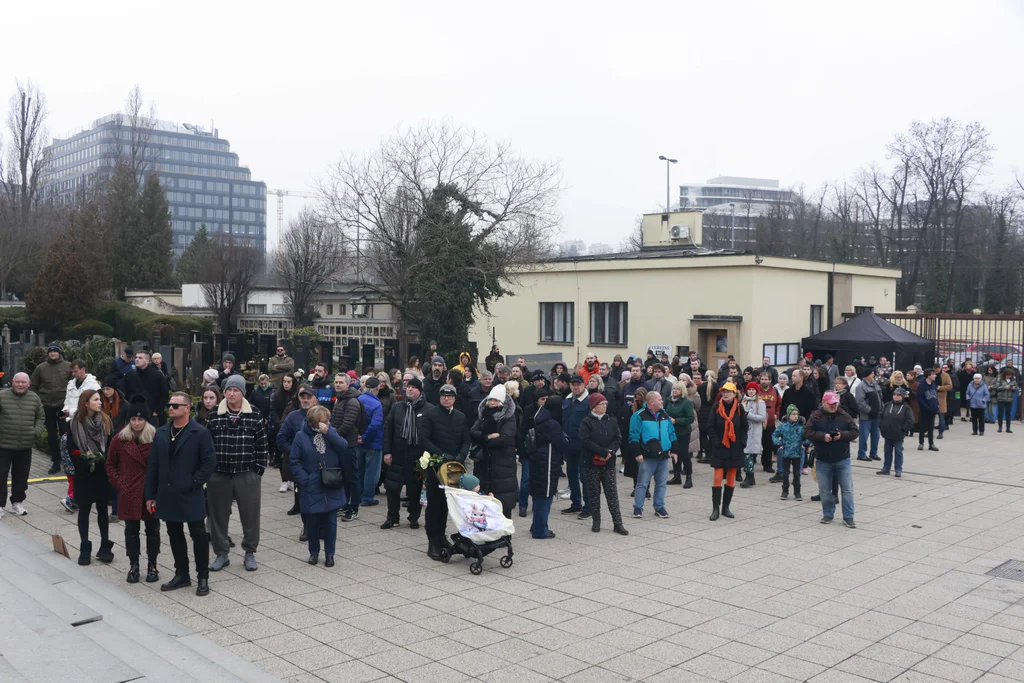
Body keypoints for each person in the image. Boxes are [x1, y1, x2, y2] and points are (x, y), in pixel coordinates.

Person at [145, 392, 216, 595]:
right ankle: (182, 574)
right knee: (174, 534)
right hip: (167, 493)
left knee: (198, 534)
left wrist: (194, 481)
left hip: (190, 492)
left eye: (176, 405)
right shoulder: (161, 432)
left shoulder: (200, 432)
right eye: (170, 405)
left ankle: (202, 576)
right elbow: (154, 465)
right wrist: (150, 495)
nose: (171, 408)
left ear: (187, 408)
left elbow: (209, 461)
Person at [206, 374, 269, 573]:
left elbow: (262, 444)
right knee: (218, 515)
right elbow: (206, 444)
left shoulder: (255, 414)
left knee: (250, 515)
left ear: (243, 393)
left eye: (236, 390)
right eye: (228, 390)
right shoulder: (215, 413)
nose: (231, 394)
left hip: (246, 473)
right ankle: (221, 553)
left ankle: (250, 552)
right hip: (220, 473)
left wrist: (258, 470)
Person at [106, 397, 161, 583]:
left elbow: (164, 464)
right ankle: (134, 565)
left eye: (140, 419)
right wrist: (119, 482)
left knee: (152, 529)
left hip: (150, 492)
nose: (136, 423)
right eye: (133, 419)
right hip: (128, 491)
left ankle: (153, 564)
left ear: (146, 420)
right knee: (131, 530)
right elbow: (110, 464)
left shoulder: (156, 437)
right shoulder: (119, 439)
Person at [289, 405, 347, 567]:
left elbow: (343, 447)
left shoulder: (331, 433)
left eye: (328, 421)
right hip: (311, 485)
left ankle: (330, 554)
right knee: (312, 523)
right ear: (314, 422)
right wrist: (304, 479)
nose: (327, 423)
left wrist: (329, 433)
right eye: (323, 421)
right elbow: (294, 460)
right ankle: (313, 552)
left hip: (331, 482)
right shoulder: (301, 436)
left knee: (331, 523)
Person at [419, 384, 470, 559]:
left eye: (450, 396)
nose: (446, 399)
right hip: (436, 467)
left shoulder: (461, 417)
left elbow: (466, 439)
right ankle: (432, 541)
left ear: (455, 398)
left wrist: (461, 455)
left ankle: (442, 537)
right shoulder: (430, 415)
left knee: (447, 504)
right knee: (435, 505)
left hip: (455, 467)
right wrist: (441, 455)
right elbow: (424, 439)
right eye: (443, 396)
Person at [67, 389, 114, 566]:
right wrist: (84, 462)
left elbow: (111, 445)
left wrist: (104, 461)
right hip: (83, 473)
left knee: (102, 509)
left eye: (100, 399)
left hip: (102, 472)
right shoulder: (74, 423)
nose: (100, 402)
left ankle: (105, 546)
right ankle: (84, 546)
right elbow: (71, 449)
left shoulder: (106, 420)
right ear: (86, 403)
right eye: (96, 400)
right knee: (85, 509)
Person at [381, 375, 429, 529]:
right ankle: (392, 517)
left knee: (415, 490)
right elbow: (388, 430)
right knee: (392, 488)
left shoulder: (428, 409)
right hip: (397, 454)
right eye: (408, 386)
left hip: (417, 457)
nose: (409, 389)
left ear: (420, 391)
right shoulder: (397, 407)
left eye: (413, 387)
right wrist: (387, 451)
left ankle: (413, 517)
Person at [805, 391, 859, 528]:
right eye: (830, 404)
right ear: (823, 403)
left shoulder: (844, 415)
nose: (833, 406)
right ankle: (828, 514)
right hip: (823, 459)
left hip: (842, 459)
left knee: (847, 489)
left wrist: (842, 435)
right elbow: (807, 432)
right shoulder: (815, 416)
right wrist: (823, 437)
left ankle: (849, 517)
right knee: (824, 490)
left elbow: (855, 432)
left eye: (835, 403)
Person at [0, 372, 45, 520]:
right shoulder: (2, 396)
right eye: (17, 382)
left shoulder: (35, 398)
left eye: (23, 382)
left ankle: (17, 503)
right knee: (1, 475)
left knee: (21, 476)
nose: (20, 385)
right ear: (12, 382)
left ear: (29, 384)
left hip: (25, 445)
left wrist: (36, 432)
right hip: (3, 445)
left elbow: (40, 416)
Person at [471, 384, 519, 518]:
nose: (492, 402)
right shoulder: (483, 415)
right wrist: (487, 437)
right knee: (485, 501)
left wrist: (484, 440)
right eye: (490, 399)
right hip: (484, 463)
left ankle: (505, 536)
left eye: (495, 400)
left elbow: (504, 438)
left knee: (503, 502)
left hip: (503, 464)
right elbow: (473, 432)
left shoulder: (509, 417)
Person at [628, 390, 676, 519]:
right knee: (642, 483)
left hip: (664, 455)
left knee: (661, 483)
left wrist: (674, 450)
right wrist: (637, 453)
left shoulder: (664, 414)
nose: (662, 401)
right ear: (651, 402)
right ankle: (638, 507)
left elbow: (671, 432)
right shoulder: (639, 416)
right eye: (659, 399)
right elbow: (634, 436)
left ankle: (659, 507)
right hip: (647, 456)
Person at [529, 388, 567, 539]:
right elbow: (561, 444)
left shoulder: (540, 417)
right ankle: (540, 530)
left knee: (539, 496)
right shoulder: (551, 423)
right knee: (545, 496)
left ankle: (537, 525)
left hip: (538, 461)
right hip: (547, 463)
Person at [705, 382, 747, 521]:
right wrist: (715, 441)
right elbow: (710, 426)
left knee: (731, 478)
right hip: (719, 447)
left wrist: (742, 442)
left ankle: (726, 508)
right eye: (723, 392)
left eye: (728, 392)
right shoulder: (716, 407)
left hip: (735, 448)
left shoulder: (739, 408)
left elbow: (744, 427)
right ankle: (715, 509)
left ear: (735, 394)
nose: (725, 394)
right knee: (717, 477)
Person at [31, 343, 72, 474]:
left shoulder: (68, 366)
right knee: (51, 435)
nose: (52, 353)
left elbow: (73, 385)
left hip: (63, 406)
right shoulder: (40, 368)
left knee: (65, 434)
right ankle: (55, 461)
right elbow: (33, 386)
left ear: (59, 353)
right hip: (46, 405)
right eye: (50, 351)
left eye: (55, 351)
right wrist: (37, 402)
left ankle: (68, 460)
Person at [330, 373, 364, 521]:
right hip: (340, 443)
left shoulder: (352, 401)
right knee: (343, 477)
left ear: (348, 384)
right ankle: (344, 504)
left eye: (341, 383)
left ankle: (354, 507)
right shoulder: (339, 399)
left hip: (348, 444)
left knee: (352, 477)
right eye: (336, 382)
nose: (337, 385)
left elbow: (347, 425)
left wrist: (332, 436)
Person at [561, 375, 591, 518]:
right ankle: (575, 503)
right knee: (571, 475)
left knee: (585, 477)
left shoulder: (588, 401)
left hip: (583, 445)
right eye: (573, 384)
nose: (575, 387)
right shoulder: (567, 400)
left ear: (583, 385)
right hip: (569, 444)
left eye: (578, 384)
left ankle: (589, 506)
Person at [356, 377, 385, 510]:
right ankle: (367, 497)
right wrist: (366, 437)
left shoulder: (358, 400)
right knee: (372, 472)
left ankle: (358, 495)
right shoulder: (377, 404)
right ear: (377, 388)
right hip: (373, 443)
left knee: (359, 470)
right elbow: (376, 425)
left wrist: (358, 436)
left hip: (358, 441)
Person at [122, 350, 169, 427]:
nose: (137, 359)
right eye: (136, 357)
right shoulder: (129, 375)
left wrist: (158, 411)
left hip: (152, 414)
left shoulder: (157, 375)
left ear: (147, 360)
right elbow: (125, 393)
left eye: (140, 358)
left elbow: (164, 394)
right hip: (134, 414)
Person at [877, 387, 915, 478]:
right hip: (887, 433)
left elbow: (910, 420)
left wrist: (903, 429)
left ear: (902, 396)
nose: (895, 396)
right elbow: (880, 415)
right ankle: (886, 468)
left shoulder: (906, 408)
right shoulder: (887, 405)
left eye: (898, 395)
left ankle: (898, 469)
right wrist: (881, 426)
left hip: (898, 434)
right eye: (894, 394)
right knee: (887, 452)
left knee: (898, 452)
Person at [773, 406, 808, 500]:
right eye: (793, 414)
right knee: (785, 473)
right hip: (786, 453)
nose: (795, 416)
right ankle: (785, 491)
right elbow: (775, 435)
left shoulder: (801, 427)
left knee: (797, 473)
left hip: (797, 453)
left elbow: (808, 436)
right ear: (788, 415)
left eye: (797, 414)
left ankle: (797, 492)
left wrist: (805, 444)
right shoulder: (783, 426)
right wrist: (778, 443)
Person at [271, 374, 298, 494]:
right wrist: (278, 424)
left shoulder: (296, 396)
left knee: (291, 455)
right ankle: (284, 480)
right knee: (281, 455)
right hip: (280, 427)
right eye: (284, 382)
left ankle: (291, 480)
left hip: (292, 428)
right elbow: (273, 410)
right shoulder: (277, 395)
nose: (286, 384)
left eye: (289, 382)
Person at [664, 383, 695, 487]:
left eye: (678, 389)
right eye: (674, 388)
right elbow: (664, 412)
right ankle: (677, 476)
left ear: (682, 391)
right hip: (671, 432)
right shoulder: (668, 400)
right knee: (674, 453)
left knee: (684, 454)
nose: (675, 390)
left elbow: (690, 418)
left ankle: (689, 478)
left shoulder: (686, 402)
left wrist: (675, 421)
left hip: (683, 432)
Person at [740, 382, 766, 488]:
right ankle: (750, 476)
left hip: (754, 432)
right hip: (745, 431)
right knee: (746, 454)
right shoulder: (744, 401)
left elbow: (761, 417)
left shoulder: (760, 403)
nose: (751, 391)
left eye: (753, 389)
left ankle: (749, 476)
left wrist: (747, 414)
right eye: (749, 389)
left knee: (748, 454)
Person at [854, 368, 882, 462]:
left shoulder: (875, 384)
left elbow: (880, 398)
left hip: (876, 416)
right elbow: (860, 402)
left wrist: (880, 409)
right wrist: (869, 410)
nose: (873, 375)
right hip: (866, 416)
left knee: (876, 435)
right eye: (872, 373)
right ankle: (861, 454)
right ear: (867, 375)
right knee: (864, 436)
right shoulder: (861, 387)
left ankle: (873, 453)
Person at [916, 369, 940, 452]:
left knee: (931, 427)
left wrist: (937, 405)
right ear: (928, 375)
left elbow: (935, 396)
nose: (935, 375)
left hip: (933, 410)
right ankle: (921, 443)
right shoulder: (921, 386)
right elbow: (920, 398)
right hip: (924, 410)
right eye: (933, 374)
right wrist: (926, 407)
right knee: (923, 427)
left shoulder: (934, 385)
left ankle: (931, 443)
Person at [995, 368, 1019, 434]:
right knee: (1000, 413)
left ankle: (1008, 428)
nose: (1009, 376)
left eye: (1010, 375)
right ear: (1004, 374)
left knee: (1008, 414)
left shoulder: (1013, 380)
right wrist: (1004, 387)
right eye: (1007, 375)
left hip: (1009, 399)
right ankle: (1000, 427)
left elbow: (1016, 388)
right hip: (1001, 398)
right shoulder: (1000, 379)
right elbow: (997, 387)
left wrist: (1014, 388)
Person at [935, 363, 953, 439]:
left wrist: (940, 388)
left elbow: (950, 386)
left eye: (938, 369)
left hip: (941, 397)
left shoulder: (945, 375)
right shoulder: (931, 375)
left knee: (941, 417)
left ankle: (940, 432)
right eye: (935, 370)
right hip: (932, 397)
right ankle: (928, 431)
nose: (936, 371)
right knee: (931, 416)